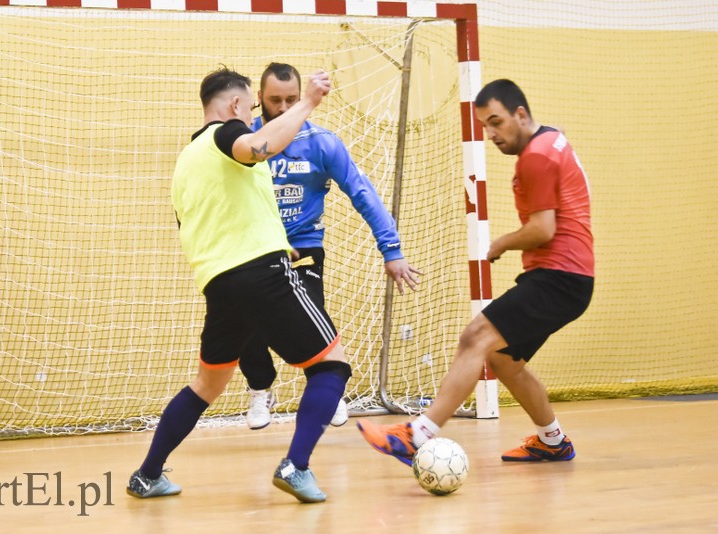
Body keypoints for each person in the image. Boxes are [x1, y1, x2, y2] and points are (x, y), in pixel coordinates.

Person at [127, 67, 352, 504]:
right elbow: (253, 148)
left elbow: (215, 218)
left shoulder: (186, 161)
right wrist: (307, 103)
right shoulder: (227, 133)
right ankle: (296, 465)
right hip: (260, 273)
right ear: (234, 106)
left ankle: (147, 474)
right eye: (251, 108)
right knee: (332, 366)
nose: (252, 117)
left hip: (219, 283)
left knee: (206, 385)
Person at [357, 79, 594, 465]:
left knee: (475, 338)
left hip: (559, 276)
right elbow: (558, 135)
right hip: (571, 278)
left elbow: (543, 230)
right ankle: (553, 441)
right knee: (503, 358)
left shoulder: (536, 156)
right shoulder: (550, 140)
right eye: (485, 126)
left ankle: (416, 435)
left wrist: (501, 243)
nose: (492, 135)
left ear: (520, 114)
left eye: (497, 122)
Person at [240, 62, 423, 430]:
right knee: (246, 322)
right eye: (275, 100)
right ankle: (260, 389)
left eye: (292, 99)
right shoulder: (244, 144)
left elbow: (362, 193)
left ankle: (328, 391)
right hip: (256, 249)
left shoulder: (322, 143)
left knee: (310, 321)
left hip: (304, 245)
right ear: (259, 98)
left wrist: (392, 250)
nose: (284, 107)